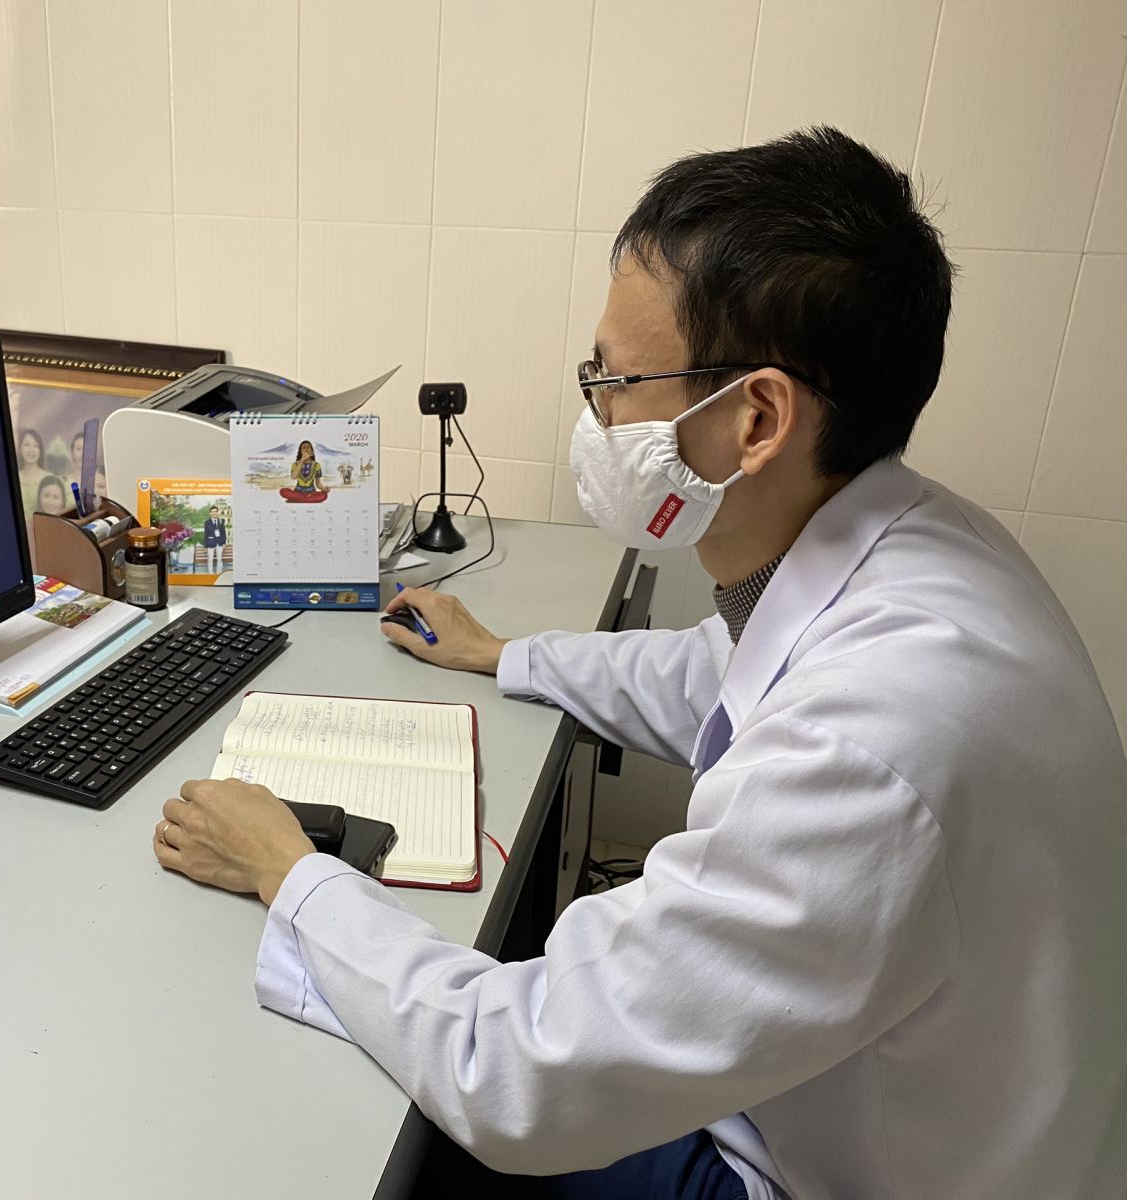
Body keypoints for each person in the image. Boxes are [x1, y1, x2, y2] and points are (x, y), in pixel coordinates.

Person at [151, 127, 1127, 1199]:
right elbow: (720, 673)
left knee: (392, 1134)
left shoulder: (874, 742)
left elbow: (514, 1076)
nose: (596, 413)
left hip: (816, 1173)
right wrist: (505, 655)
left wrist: (290, 873)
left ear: (755, 419)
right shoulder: (916, 546)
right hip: (892, 1103)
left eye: (612, 380)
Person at [15, 427, 49, 517]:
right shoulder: (14, 479)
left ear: (40, 451)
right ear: (20, 449)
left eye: (36, 445)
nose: (31, 449)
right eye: (27, 444)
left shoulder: (48, 479)